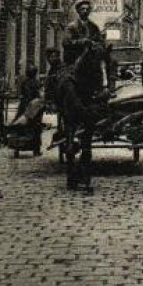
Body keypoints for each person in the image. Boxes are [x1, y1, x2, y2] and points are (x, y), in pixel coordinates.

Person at [55, 65, 100, 194]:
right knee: (82, 149)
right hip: (75, 120)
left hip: (71, 120)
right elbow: (76, 105)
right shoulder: (70, 86)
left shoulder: (69, 82)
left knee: (73, 149)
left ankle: (74, 179)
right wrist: (90, 113)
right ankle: (83, 181)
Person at [63, 0, 107, 97]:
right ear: (78, 11)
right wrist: (83, 42)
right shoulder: (71, 27)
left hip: (91, 59)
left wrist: (96, 45)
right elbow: (66, 42)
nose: (85, 11)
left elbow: (100, 42)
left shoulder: (94, 27)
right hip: (75, 58)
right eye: (82, 9)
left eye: (87, 9)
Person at [14, 65, 43, 155]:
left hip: (24, 106)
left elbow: (21, 93)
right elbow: (39, 95)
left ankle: (18, 147)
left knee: (21, 126)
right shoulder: (37, 83)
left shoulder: (24, 82)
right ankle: (36, 149)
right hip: (34, 106)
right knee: (36, 127)